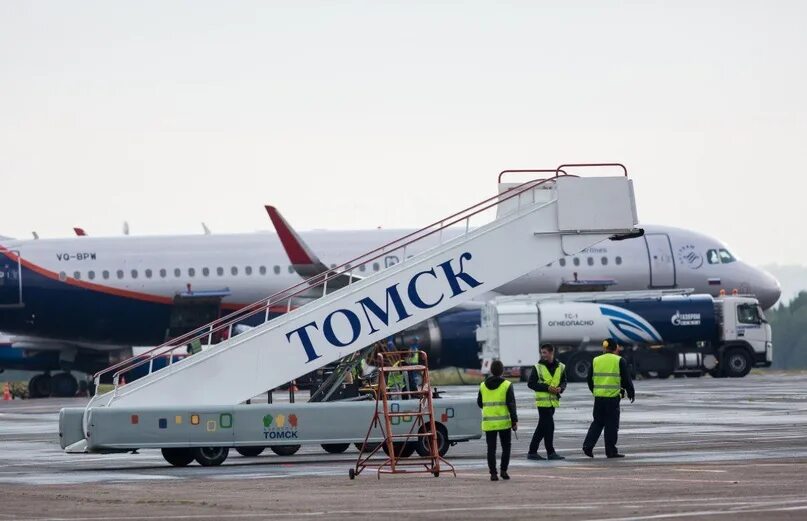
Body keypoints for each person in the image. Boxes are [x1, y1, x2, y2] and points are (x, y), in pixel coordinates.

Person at [583, 339, 635, 458]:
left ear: (604, 348)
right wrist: (631, 392)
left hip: (599, 398)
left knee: (597, 423)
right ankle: (611, 451)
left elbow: (589, 378)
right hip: (612, 398)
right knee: (611, 425)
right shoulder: (619, 360)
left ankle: (588, 446)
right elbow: (626, 379)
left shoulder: (596, 360)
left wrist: (594, 391)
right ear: (615, 348)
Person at [477, 360, 518, 481]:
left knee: (491, 449)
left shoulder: (483, 385)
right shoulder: (507, 385)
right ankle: (504, 471)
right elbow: (511, 404)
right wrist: (514, 421)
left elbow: (479, 403)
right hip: (504, 422)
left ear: (491, 370)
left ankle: (493, 473)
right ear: (502, 371)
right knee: (506, 447)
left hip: (489, 423)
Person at [526, 344, 567, 460]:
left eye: (545, 352)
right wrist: (547, 388)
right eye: (541, 353)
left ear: (551, 352)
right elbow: (531, 384)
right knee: (549, 426)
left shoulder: (561, 367)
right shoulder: (537, 367)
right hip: (543, 403)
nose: (542, 355)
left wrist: (561, 388)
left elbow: (564, 381)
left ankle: (532, 452)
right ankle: (551, 452)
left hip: (553, 402)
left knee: (542, 427)